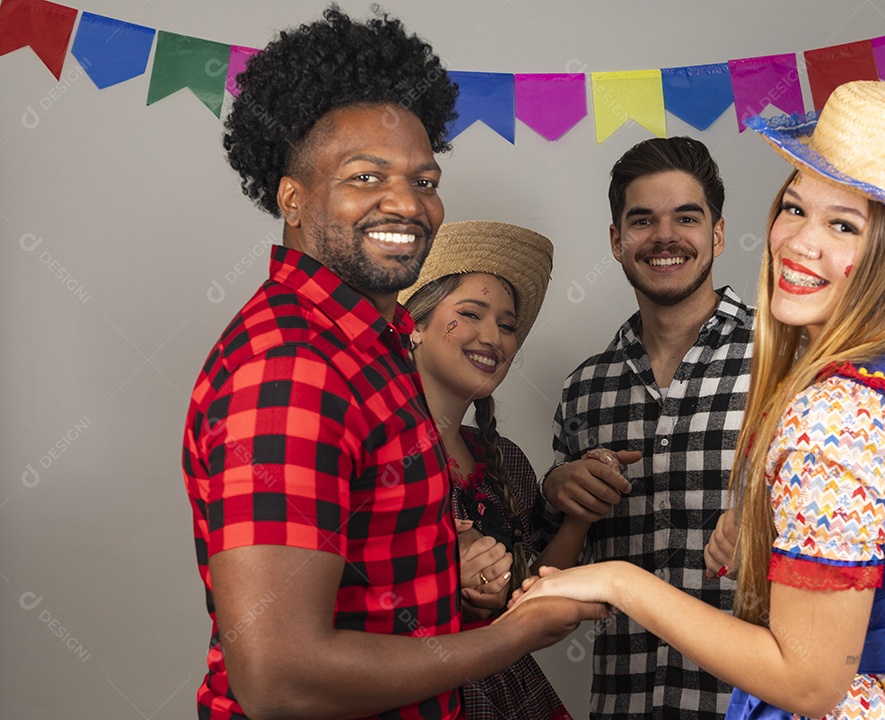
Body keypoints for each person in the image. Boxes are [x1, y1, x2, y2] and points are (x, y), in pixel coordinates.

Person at [511, 80, 885, 718]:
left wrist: (620, 580)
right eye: (794, 209)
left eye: (844, 224)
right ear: (616, 238)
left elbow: (812, 684)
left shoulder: (831, 408)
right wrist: (775, 538)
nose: (796, 243)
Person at [181, 9, 605, 720]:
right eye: (366, 176)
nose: (407, 203)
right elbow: (282, 680)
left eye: (425, 178)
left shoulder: (373, 353)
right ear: (292, 196)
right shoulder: (291, 365)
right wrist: (513, 635)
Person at [532, 135, 754, 718]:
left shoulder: (790, 359)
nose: (664, 236)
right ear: (616, 241)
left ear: (718, 234)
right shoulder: (585, 390)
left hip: (752, 704)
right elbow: (558, 578)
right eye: (642, 220)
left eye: (687, 217)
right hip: (623, 703)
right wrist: (559, 489)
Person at [400, 219, 589, 720]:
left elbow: (525, 613)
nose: (494, 337)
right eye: (470, 313)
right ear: (414, 325)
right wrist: (444, 580)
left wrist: (580, 516)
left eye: (507, 325)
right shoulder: (378, 452)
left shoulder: (506, 463)